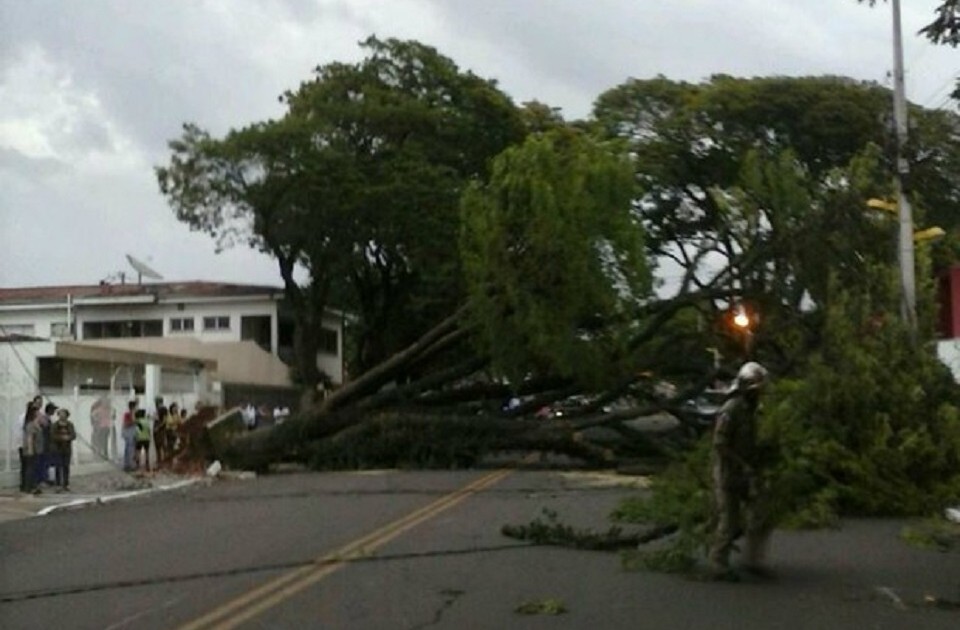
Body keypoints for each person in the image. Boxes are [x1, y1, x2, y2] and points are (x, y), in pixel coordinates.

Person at [707, 361, 772, 579]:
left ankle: (753, 561)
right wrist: (741, 464)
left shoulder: (757, 410)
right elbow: (720, 445)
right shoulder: (731, 410)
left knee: (761, 515)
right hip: (729, 472)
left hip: (749, 471)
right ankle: (718, 564)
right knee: (729, 520)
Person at [50, 408, 77, 492]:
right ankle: (58, 484)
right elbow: (52, 435)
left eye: (64, 414)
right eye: (61, 414)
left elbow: (73, 435)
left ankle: (66, 484)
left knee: (66, 466)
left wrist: (68, 437)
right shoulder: (55, 425)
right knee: (58, 467)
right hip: (57, 449)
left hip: (67, 449)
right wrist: (61, 438)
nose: (62, 416)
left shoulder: (70, 425)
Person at [21, 405, 43, 495]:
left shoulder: (36, 424)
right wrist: (30, 449)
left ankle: (33, 485)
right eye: (38, 412)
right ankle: (29, 487)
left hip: (37, 450)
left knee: (34, 468)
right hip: (31, 450)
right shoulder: (31, 425)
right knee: (30, 469)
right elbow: (30, 438)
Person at [121, 400, 138, 471]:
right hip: (128, 434)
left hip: (132, 434)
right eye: (135, 407)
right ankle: (129, 465)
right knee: (129, 450)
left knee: (131, 449)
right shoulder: (127, 414)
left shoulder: (133, 414)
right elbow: (126, 424)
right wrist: (133, 421)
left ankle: (129, 464)